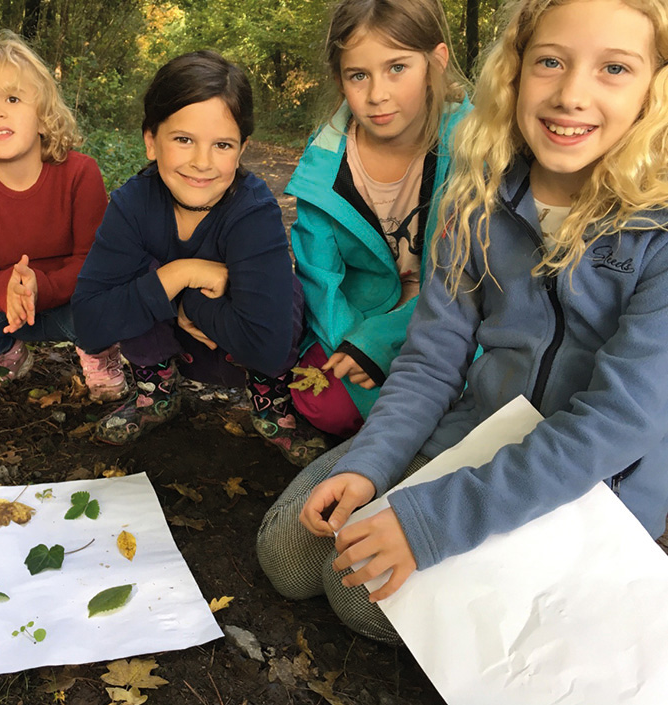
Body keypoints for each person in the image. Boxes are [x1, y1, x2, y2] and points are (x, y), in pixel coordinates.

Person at [258, 0, 668, 644]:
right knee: (290, 556)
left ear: (654, 86)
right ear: (515, 70)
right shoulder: (476, 195)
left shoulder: (659, 229)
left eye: (614, 68)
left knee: (358, 597)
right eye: (551, 62)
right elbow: (432, 358)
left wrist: (432, 523)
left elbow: (620, 422)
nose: (570, 95)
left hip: (591, 483)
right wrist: (369, 464)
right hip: (476, 428)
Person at [71, 50, 326, 466]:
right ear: (151, 141)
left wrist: (190, 301)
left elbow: (267, 344)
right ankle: (156, 392)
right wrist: (180, 275)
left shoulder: (253, 210)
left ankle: (270, 401)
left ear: (242, 149)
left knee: (284, 289)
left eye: (222, 144)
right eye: (184, 139)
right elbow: (89, 324)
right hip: (168, 340)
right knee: (141, 275)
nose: (202, 162)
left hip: (235, 348)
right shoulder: (132, 204)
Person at [286, 0, 469, 439]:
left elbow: (472, 276)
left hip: (453, 318)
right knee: (320, 402)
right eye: (359, 75)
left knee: (464, 401)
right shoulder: (326, 159)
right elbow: (318, 274)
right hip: (361, 314)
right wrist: (355, 342)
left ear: (435, 63)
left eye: (397, 68)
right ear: (340, 80)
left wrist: (385, 342)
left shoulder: (473, 147)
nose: (377, 94)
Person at [0, 32, 127, 399]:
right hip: (6, 308)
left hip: (72, 303)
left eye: (13, 98)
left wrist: (41, 285)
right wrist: (3, 288)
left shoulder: (79, 173)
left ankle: (98, 353)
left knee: (115, 297)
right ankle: (7, 357)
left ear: (43, 115)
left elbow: (94, 260)